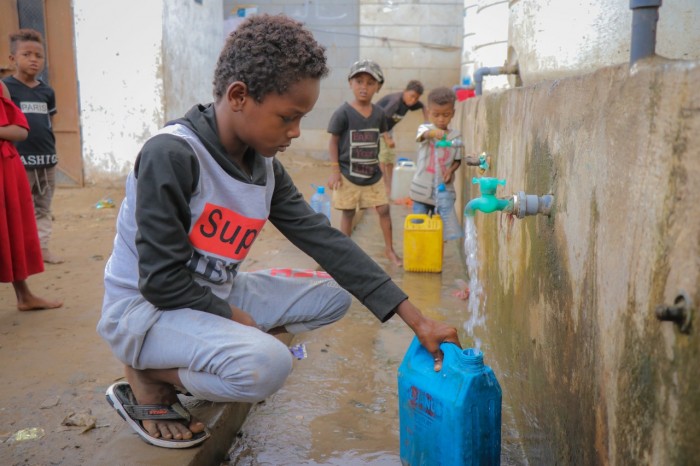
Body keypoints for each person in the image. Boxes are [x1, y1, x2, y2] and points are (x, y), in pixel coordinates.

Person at [98, 15, 459, 449]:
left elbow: (325, 240)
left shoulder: (265, 167)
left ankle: (213, 355)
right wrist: (236, 319)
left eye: (301, 118)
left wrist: (418, 320)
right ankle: (149, 375)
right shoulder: (173, 155)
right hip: (146, 312)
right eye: (288, 118)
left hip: (212, 293)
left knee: (333, 295)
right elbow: (159, 281)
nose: (295, 132)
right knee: (269, 366)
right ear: (239, 96)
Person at [326, 59, 402, 266]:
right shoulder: (343, 113)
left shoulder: (379, 113)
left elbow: (382, 130)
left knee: (384, 209)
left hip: (372, 174)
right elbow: (333, 142)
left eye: (370, 83)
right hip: (348, 174)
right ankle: (345, 253)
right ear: (350, 83)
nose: (364, 87)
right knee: (348, 213)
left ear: (378, 87)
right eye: (359, 81)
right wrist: (335, 171)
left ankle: (389, 250)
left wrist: (387, 138)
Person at [0, 81, 62, 311]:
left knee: (8, 230)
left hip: (6, 168)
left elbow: (20, 130)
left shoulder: (1, 88)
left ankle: (24, 295)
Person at [3, 29, 62, 264]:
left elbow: (49, 123)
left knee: (43, 207)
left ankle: (42, 248)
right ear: (12, 59)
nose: (33, 60)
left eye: (38, 55)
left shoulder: (47, 92)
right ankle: (21, 253)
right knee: (18, 210)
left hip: (46, 160)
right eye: (26, 54)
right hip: (18, 162)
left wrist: (52, 152)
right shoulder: (6, 88)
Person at [409, 86, 468, 215]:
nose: (441, 119)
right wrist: (433, 133)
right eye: (436, 115)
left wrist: (450, 170)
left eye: (446, 115)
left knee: (440, 225)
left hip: (443, 192)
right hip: (421, 190)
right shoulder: (425, 128)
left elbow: (457, 160)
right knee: (418, 222)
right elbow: (422, 136)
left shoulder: (455, 136)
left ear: (453, 113)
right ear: (429, 112)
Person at [375, 80, 428, 198]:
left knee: (390, 158)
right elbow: (380, 119)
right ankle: (384, 189)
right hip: (375, 127)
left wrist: (427, 123)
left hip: (387, 129)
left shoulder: (410, 102)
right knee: (382, 158)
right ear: (405, 91)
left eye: (416, 98)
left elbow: (423, 106)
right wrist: (387, 138)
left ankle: (391, 188)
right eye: (411, 96)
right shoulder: (395, 102)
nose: (413, 100)